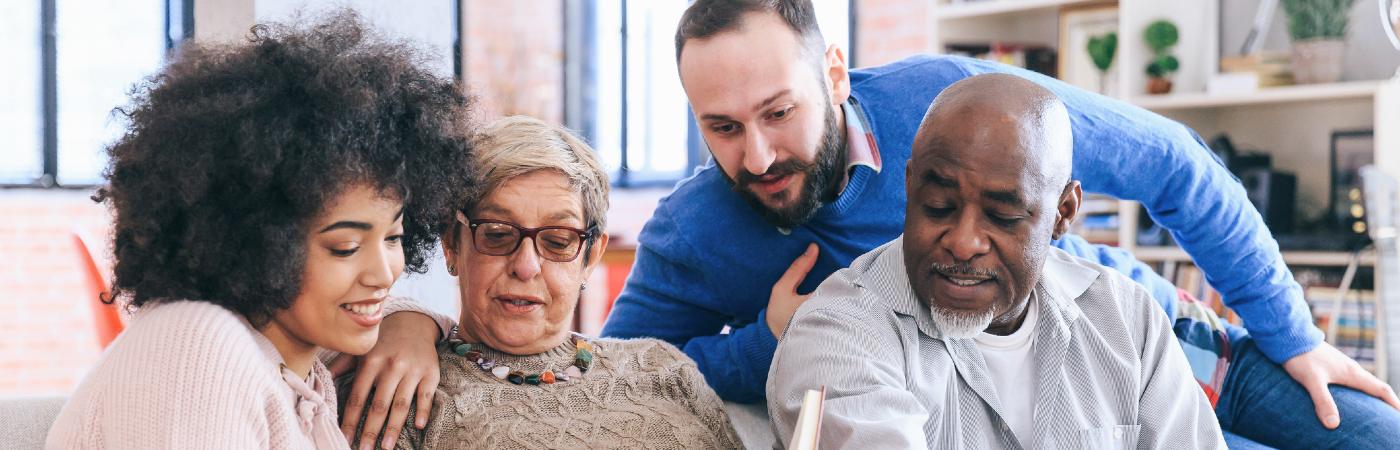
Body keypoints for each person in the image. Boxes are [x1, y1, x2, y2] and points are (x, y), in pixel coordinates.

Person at [596, 0, 1400, 447]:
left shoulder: (950, 103)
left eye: (779, 112)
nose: (760, 154)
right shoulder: (697, 229)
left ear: (833, 75)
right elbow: (621, 374)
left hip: (1155, 334)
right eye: (722, 127)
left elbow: (1174, 164)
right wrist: (767, 341)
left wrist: (1294, 337)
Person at [44, 11, 474, 449]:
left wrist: (412, 322)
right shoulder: (196, 344)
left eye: (392, 238)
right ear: (256, 244)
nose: (382, 273)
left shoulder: (298, 363)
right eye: (345, 247)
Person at [768, 73, 1224, 449]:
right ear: (909, 188)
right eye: (938, 206)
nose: (964, 243)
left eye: (1003, 216)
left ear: (1063, 213)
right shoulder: (836, 334)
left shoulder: (1128, 318)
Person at [347, 116, 741, 449]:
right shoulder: (406, 392)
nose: (526, 266)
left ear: (591, 256)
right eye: (498, 234)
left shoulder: (664, 367)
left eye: (558, 240)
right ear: (452, 242)